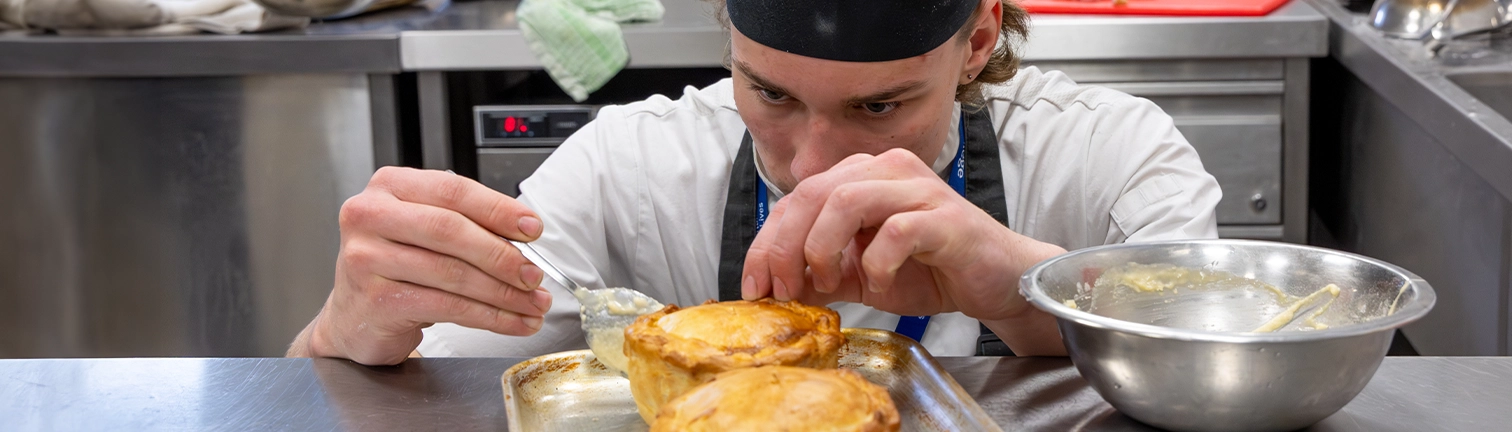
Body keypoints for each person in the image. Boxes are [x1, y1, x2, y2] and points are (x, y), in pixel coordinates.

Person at [286, 0, 1220, 365]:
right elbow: (401, 383)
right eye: (768, 92)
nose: (812, 164)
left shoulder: (1106, 156)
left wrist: (1028, 296)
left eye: (880, 107)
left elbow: (1221, 377)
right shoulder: (632, 165)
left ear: (977, 41)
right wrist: (341, 333)